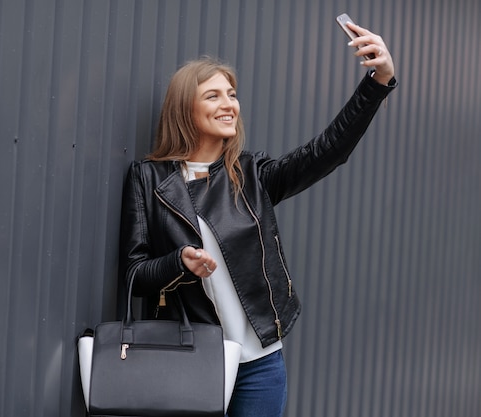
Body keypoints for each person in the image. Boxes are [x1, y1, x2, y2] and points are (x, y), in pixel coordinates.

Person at [119, 22, 396, 417]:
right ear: (185, 108)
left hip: (260, 363)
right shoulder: (149, 179)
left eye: (231, 95)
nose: (229, 104)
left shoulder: (251, 174)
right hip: (191, 358)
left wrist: (378, 81)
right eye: (212, 95)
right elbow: (134, 272)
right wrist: (179, 263)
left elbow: (328, 151)